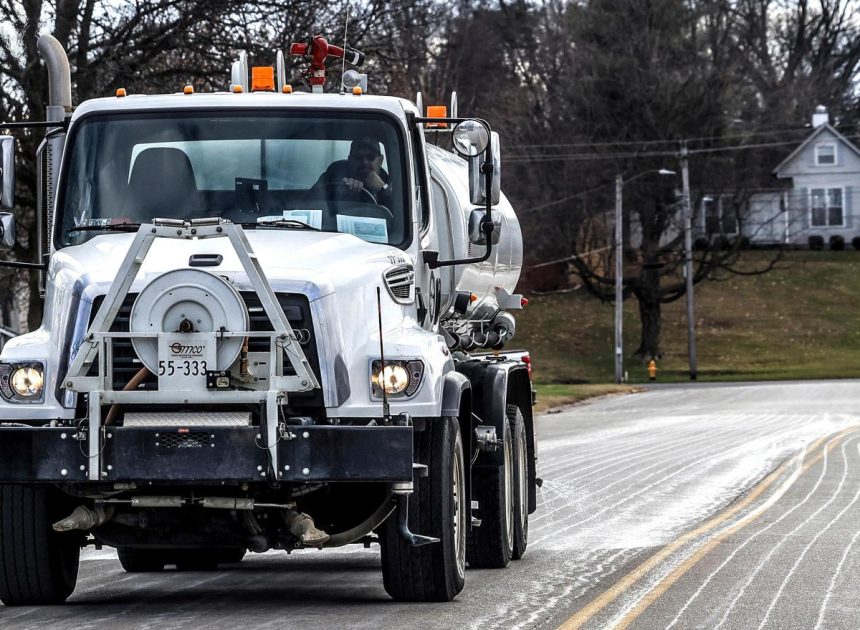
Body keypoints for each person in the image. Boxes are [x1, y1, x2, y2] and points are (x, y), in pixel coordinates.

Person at [313, 136, 393, 208]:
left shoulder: (390, 183)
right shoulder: (333, 175)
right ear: (350, 160)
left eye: (370, 157)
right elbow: (309, 199)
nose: (364, 162)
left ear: (380, 160)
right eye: (358, 157)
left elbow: (399, 212)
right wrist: (336, 192)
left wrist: (382, 188)